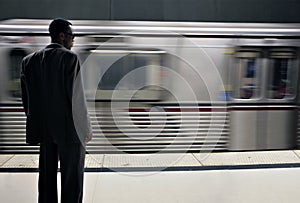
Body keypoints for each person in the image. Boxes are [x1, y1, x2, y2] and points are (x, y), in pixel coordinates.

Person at [20, 18, 92, 203]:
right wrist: (86, 129)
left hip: (44, 131)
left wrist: (37, 123)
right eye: (71, 36)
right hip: (70, 130)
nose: (73, 41)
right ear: (62, 36)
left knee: (46, 178)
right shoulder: (70, 58)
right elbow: (76, 99)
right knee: (72, 178)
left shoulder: (28, 61)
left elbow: (26, 100)